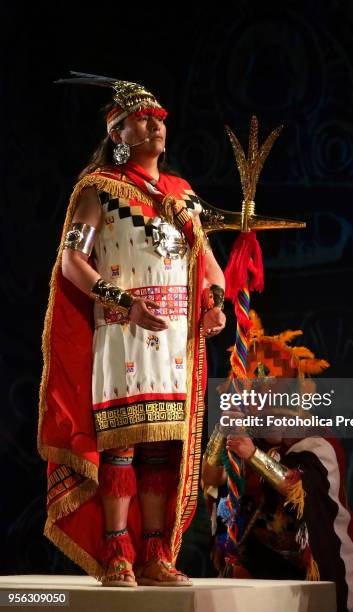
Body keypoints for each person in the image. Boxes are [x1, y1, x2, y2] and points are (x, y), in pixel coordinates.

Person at [38, 75, 226, 587]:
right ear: (118, 132)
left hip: (174, 342)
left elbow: (209, 262)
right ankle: (116, 551)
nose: (156, 125)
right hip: (122, 332)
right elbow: (73, 260)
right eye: (143, 118)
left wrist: (214, 302)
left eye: (159, 117)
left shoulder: (182, 194)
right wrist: (121, 300)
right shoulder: (99, 188)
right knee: (122, 443)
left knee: (163, 447)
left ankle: (155, 554)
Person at [201, 312, 353, 612]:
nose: (270, 425)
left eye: (276, 415)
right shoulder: (250, 439)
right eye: (263, 417)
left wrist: (254, 456)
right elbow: (211, 478)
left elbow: (298, 489)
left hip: (307, 568)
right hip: (261, 569)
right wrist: (221, 431)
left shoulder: (320, 445)